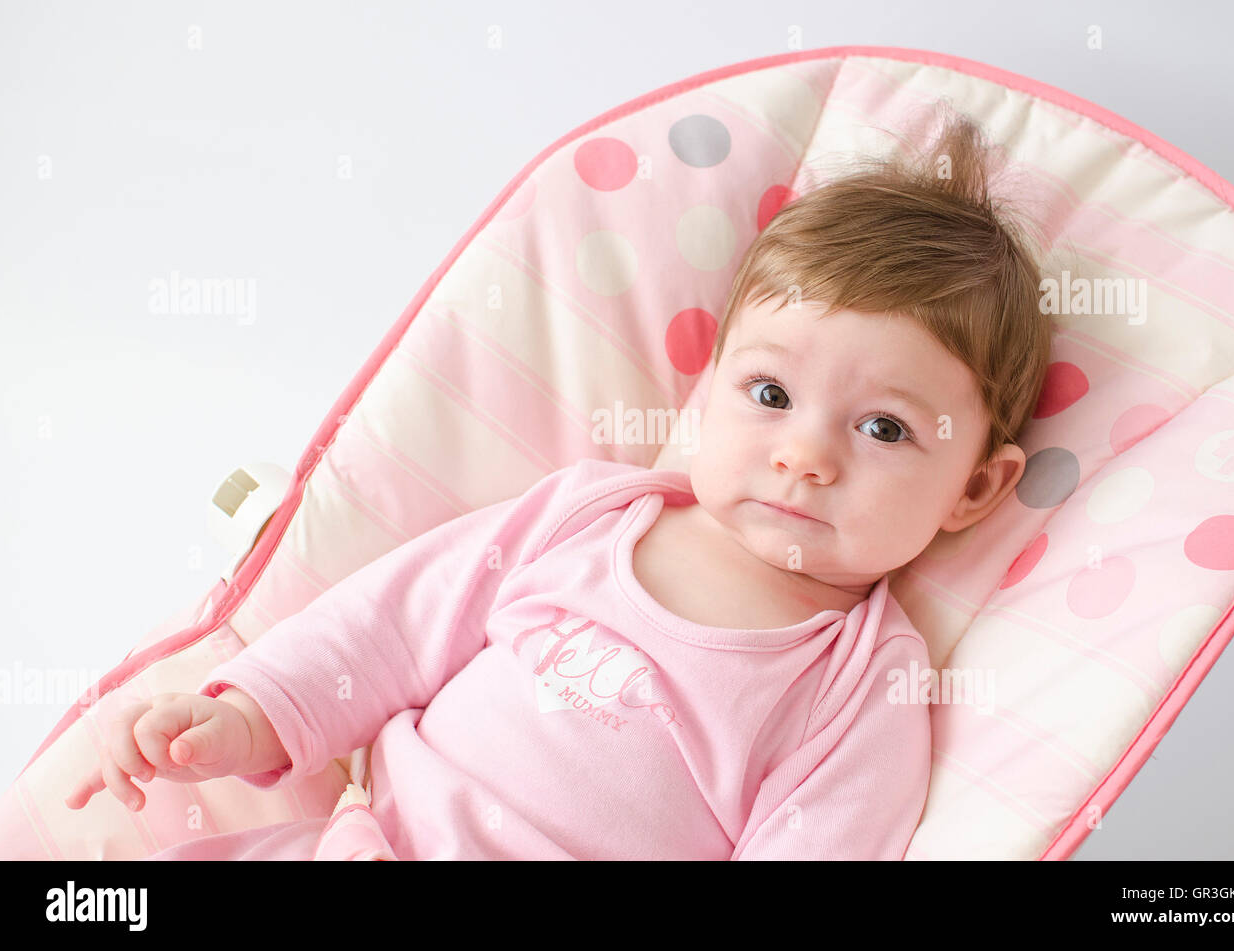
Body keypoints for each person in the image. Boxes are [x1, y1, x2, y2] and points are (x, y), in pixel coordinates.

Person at [64, 107, 1051, 860]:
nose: (805, 455)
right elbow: (390, 628)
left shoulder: (858, 682)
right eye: (768, 391)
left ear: (973, 488)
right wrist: (247, 719)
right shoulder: (584, 516)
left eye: (882, 428)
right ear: (705, 393)